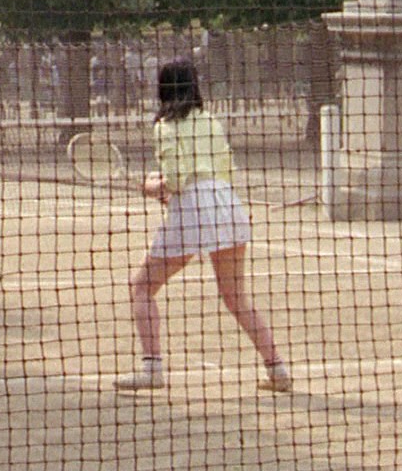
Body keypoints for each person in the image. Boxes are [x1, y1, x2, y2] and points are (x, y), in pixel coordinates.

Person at [115, 58, 288, 393]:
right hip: (227, 205)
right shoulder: (210, 120)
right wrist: (171, 189)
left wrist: (152, 186)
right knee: (236, 297)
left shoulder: (165, 125)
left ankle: (152, 370)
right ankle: (277, 370)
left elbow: (178, 180)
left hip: (197, 209)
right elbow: (220, 171)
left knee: (141, 287)